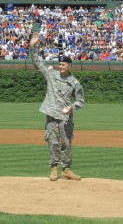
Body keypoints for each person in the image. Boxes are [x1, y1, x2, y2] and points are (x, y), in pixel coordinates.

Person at [29, 33, 85, 181]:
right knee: (53, 142)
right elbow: (37, 63)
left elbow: (80, 100)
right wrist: (32, 46)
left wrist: (72, 107)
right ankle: (54, 169)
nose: (60, 67)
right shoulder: (51, 75)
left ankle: (66, 169)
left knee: (66, 143)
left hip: (66, 117)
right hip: (51, 114)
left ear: (69, 66)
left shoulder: (74, 82)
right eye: (59, 64)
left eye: (63, 65)